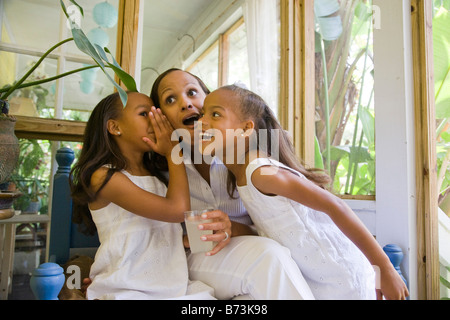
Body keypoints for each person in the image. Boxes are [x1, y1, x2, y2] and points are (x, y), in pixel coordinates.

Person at [197, 84, 410, 300]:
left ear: (245, 129)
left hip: (343, 278)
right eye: (202, 114)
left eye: (215, 114)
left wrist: (385, 270)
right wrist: (233, 228)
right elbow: (273, 228)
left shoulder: (260, 171)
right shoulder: (242, 173)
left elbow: (335, 206)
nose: (202, 121)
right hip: (317, 281)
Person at [150, 68, 315, 300]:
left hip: (253, 246)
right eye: (170, 99)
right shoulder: (163, 170)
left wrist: (234, 229)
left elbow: (279, 225)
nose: (186, 103)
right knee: (268, 258)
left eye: (192, 92)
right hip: (197, 258)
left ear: (210, 98)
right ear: (162, 117)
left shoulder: (243, 152)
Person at [70, 91, 215, 300]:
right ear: (114, 127)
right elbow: (176, 211)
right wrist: (173, 152)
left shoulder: (157, 178)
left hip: (174, 284)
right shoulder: (104, 177)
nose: (157, 120)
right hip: (128, 287)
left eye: (157, 113)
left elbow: (156, 230)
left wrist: (186, 238)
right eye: (144, 114)